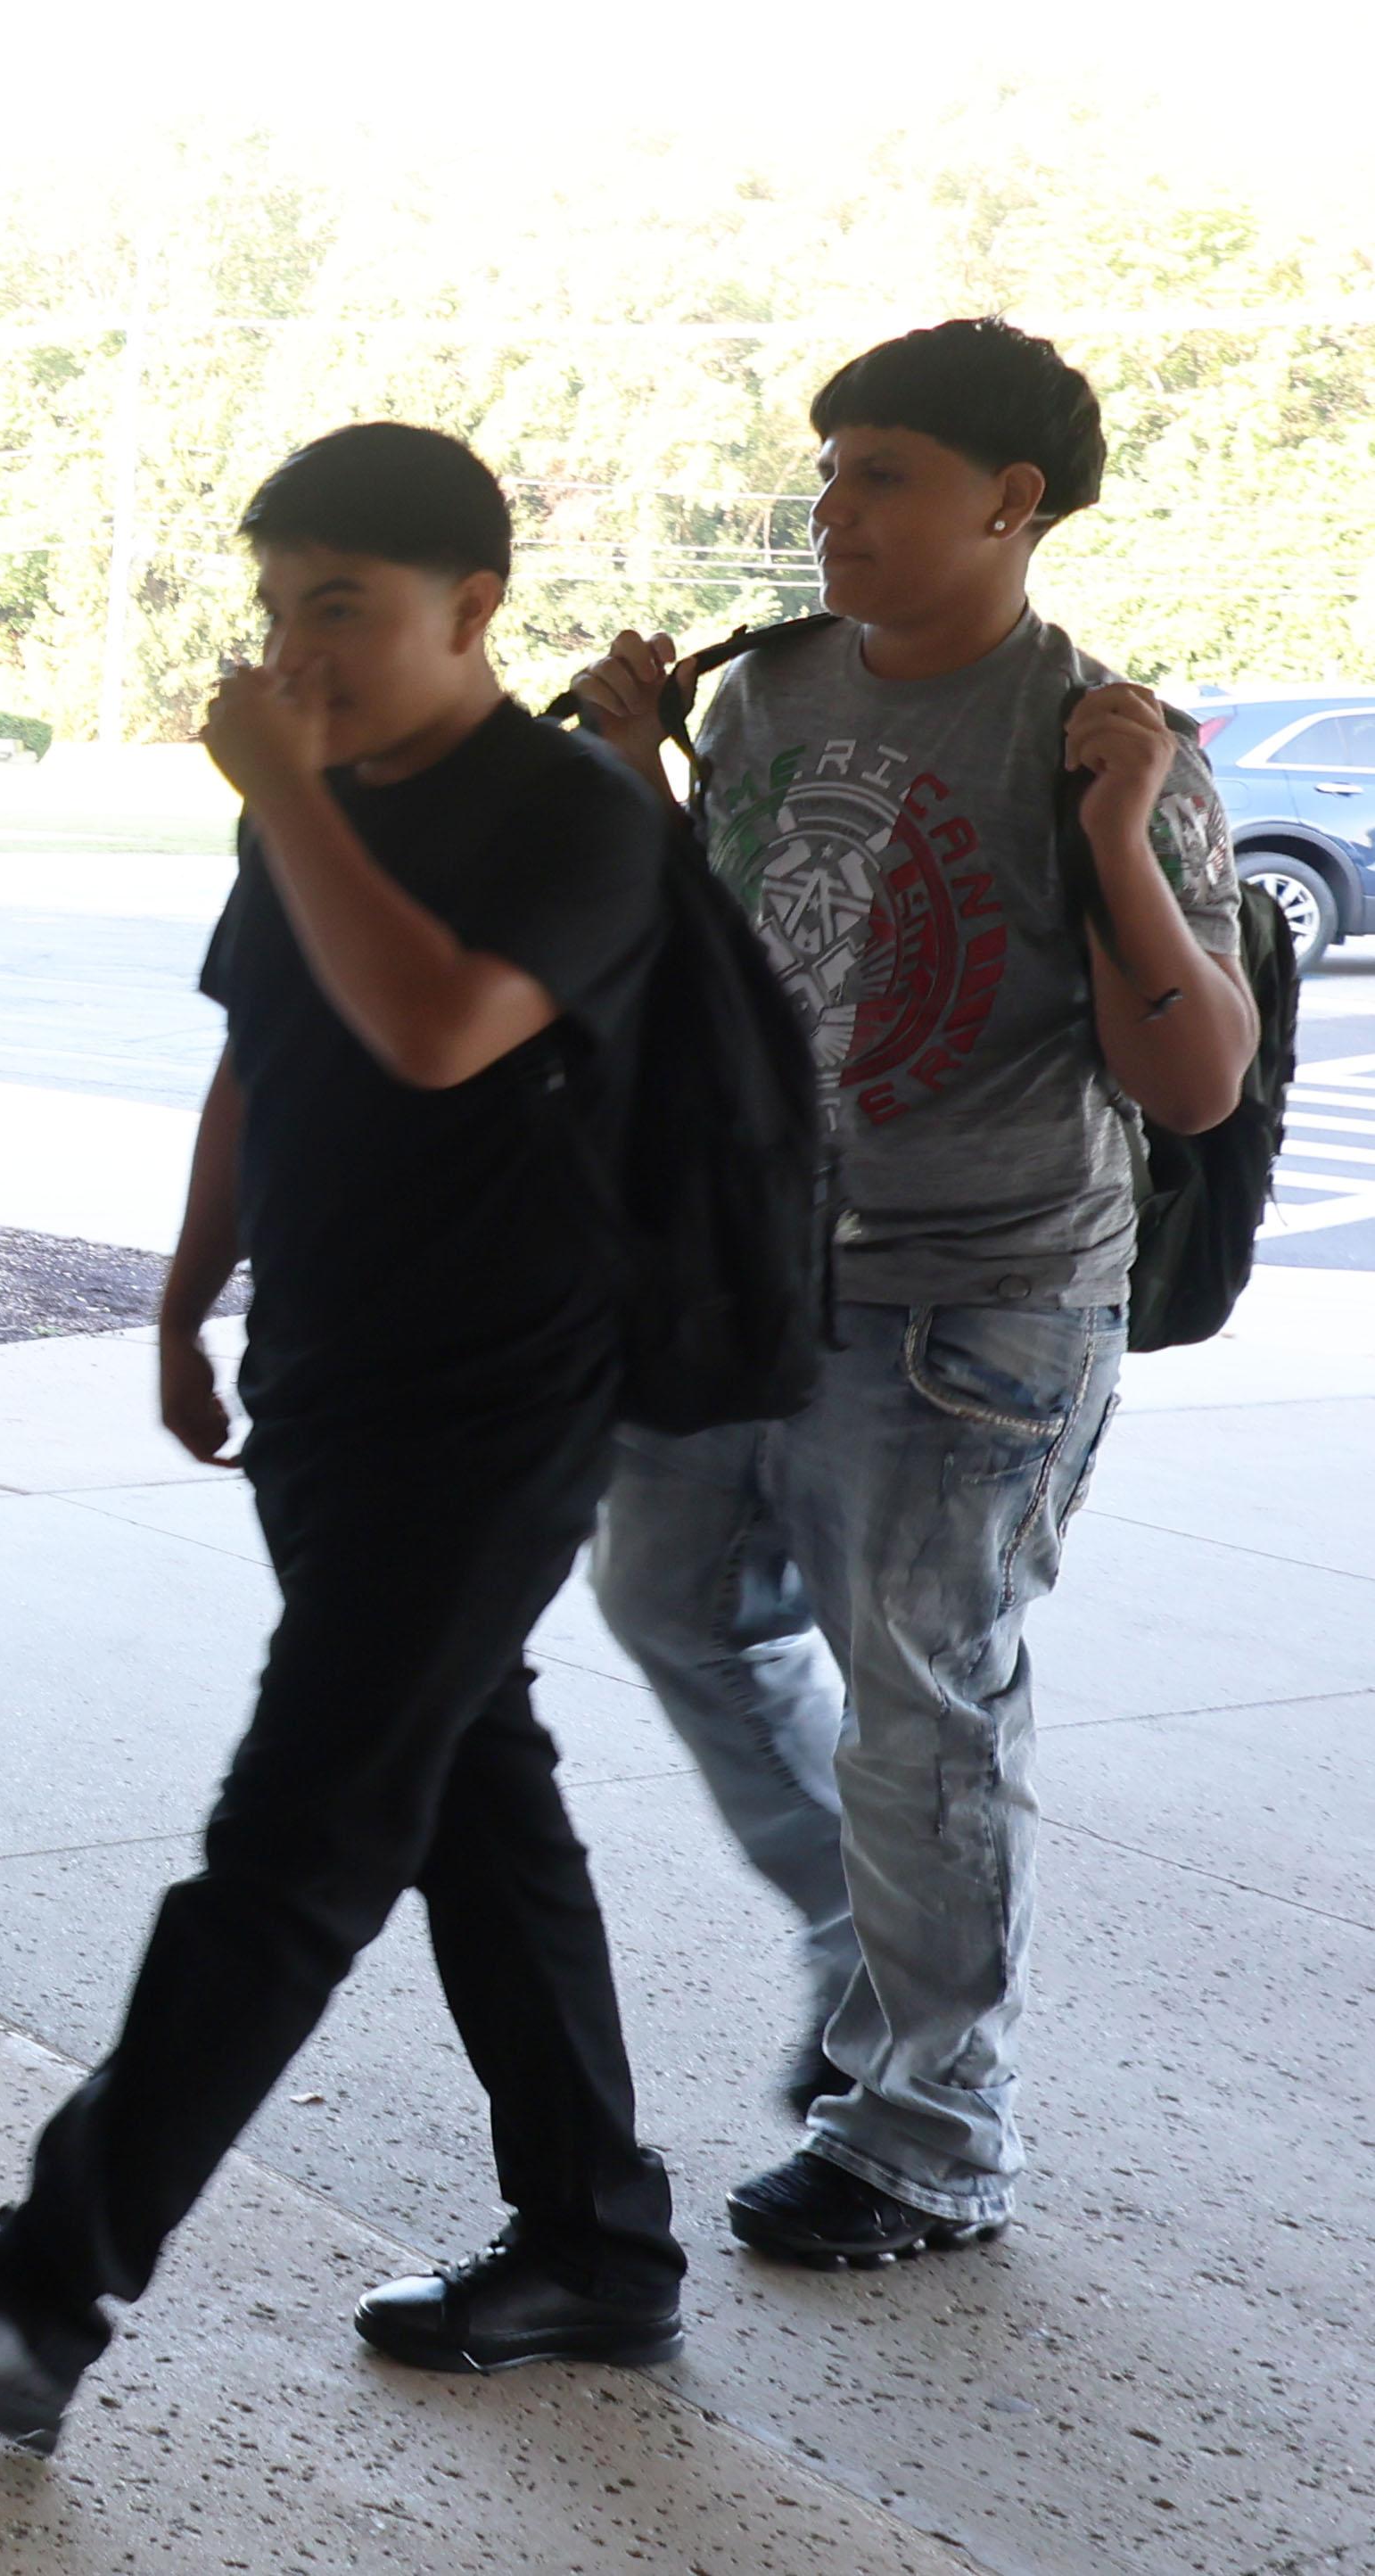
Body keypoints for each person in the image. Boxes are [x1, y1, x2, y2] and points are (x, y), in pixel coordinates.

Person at [0, 425, 689, 2453]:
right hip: (326, 1373)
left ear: (474, 608)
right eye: (279, 607)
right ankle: (597, 2241)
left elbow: (438, 1026)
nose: (297, 652)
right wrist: (185, 1289)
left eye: (344, 609)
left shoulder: (571, 814)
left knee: (300, 1840)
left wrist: (283, 791)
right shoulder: (313, 800)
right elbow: (263, 1052)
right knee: (474, 1793)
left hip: (494, 1398)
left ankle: (36, 2298)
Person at [572, 319, 1247, 2267]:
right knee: (667, 1598)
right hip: (752, 1268)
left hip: (979, 1302)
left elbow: (1195, 1079)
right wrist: (633, 776)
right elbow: (714, 967)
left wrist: (1113, 832)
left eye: (881, 474)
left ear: (1010, 501)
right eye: (828, 472)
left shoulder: (1103, 737)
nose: (831, 510)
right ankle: (862, 1945)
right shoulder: (766, 692)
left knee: (924, 1716)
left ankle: (930, 2138)